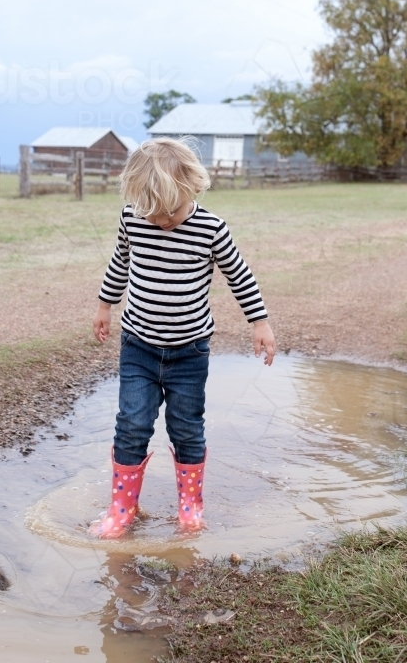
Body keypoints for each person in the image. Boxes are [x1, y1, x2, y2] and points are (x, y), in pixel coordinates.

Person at [89, 137, 276, 538]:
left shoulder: (211, 229)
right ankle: (123, 507)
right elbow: (120, 263)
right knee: (132, 423)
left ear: (193, 187)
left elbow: (239, 276)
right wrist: (105, 305)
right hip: (138, 345)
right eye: (153, 213)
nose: (162, 221)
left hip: (189, 352)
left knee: (186, 426)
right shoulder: (132, 218)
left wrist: (259, 322)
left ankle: (190, 506)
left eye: (170, 211)